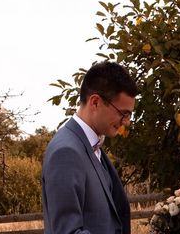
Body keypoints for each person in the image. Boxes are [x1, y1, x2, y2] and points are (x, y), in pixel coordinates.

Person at [42, 61, 138, 234]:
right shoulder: (66, 152)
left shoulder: (90, 145)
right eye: (123, 113)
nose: (126, 122)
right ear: (95, 102)